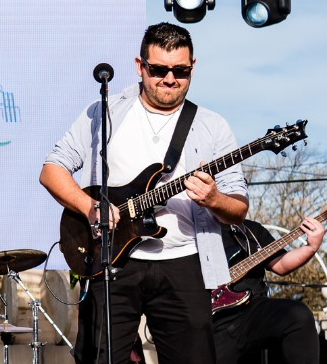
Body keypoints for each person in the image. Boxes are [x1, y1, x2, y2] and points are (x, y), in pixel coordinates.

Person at [38, 22, 249, 364]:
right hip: (113, 261)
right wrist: (90, 206)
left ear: (193, 67)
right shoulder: (104, 112)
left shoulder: (213, 126)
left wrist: (214, 200)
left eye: (180, 71)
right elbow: (51, 170)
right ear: (140, 66)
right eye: (159, 69)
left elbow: (238, 207)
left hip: (185, 262)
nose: (169, 78)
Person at [212, 215, 324, 364]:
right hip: (210, 320)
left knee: (299, 316)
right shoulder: (190, 233)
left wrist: (311, 247)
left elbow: (281, 265)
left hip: (253, 313)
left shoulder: (250, 230)